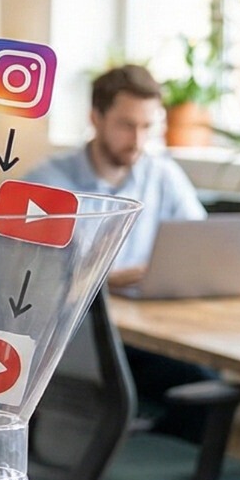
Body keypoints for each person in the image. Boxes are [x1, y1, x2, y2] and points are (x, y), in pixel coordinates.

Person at [23, 64, 212, 441]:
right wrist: (105, 279)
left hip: (145, 331)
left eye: (148, 127)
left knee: (204, 384)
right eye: (127, 125)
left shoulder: (162, 175)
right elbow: (28, 280)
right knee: (196, 385)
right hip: (73, 342)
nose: (138, 140)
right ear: (96, 118)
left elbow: (201, 245)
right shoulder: (46, 185)